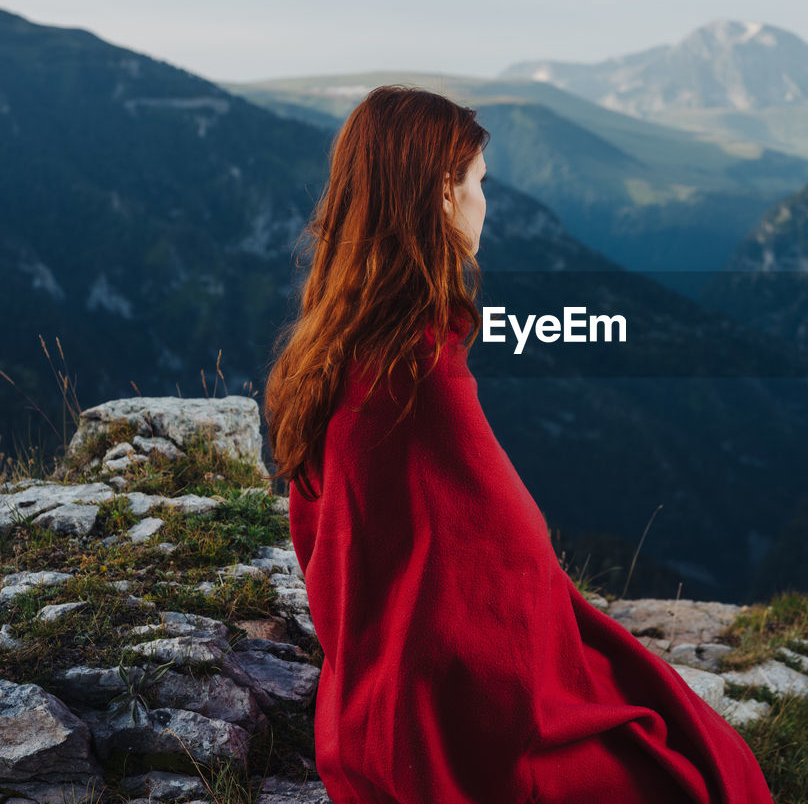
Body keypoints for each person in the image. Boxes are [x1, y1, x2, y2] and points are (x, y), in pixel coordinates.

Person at [263, 84, 776, 803]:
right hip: (448, 727)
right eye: (478, 183)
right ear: (441, 194)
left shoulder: (330, 353)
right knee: (703, 768)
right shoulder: (418, 377)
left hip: (368, 706)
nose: (486, 203)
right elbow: (501, 561)